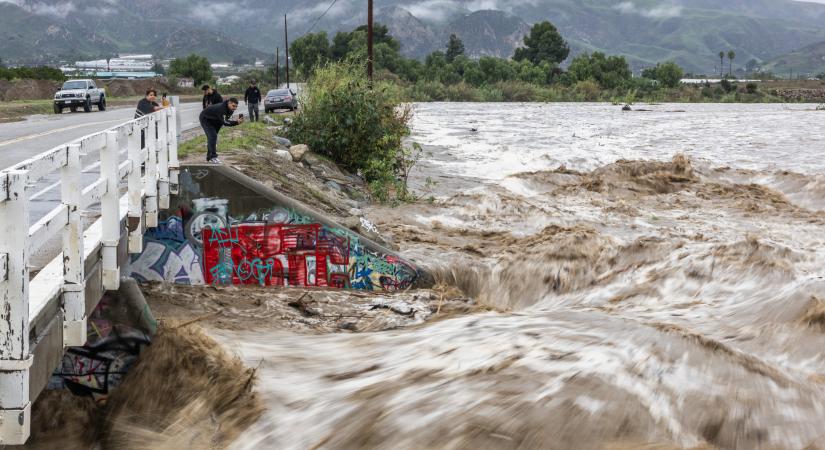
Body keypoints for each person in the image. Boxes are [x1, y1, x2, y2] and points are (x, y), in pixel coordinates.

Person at [199, 97, 244, 164]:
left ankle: (209, 157)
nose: (234, 108)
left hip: (216, 120)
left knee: (213, 137)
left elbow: (225, 120)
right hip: (206, 119)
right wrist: (236, 122)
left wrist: (236, 122)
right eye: (233, 106)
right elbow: (225, 122)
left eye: (236, 106)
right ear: (229, 103)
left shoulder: (231, 109)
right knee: (213, 136)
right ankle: (213, 157)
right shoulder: (221, 108)